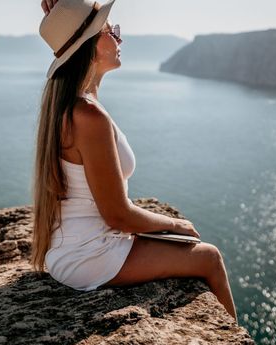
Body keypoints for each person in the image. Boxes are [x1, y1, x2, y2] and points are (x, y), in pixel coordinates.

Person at [33, 0, 237, 323]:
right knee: (209, 258)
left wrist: (66, 15)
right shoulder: (88, 116)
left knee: (190, 247)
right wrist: (173, 224)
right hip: (91, 255)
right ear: (90, 45)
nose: (119, 37)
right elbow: (117, 216)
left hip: (75, 250)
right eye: (110, 31)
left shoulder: (75, 106)